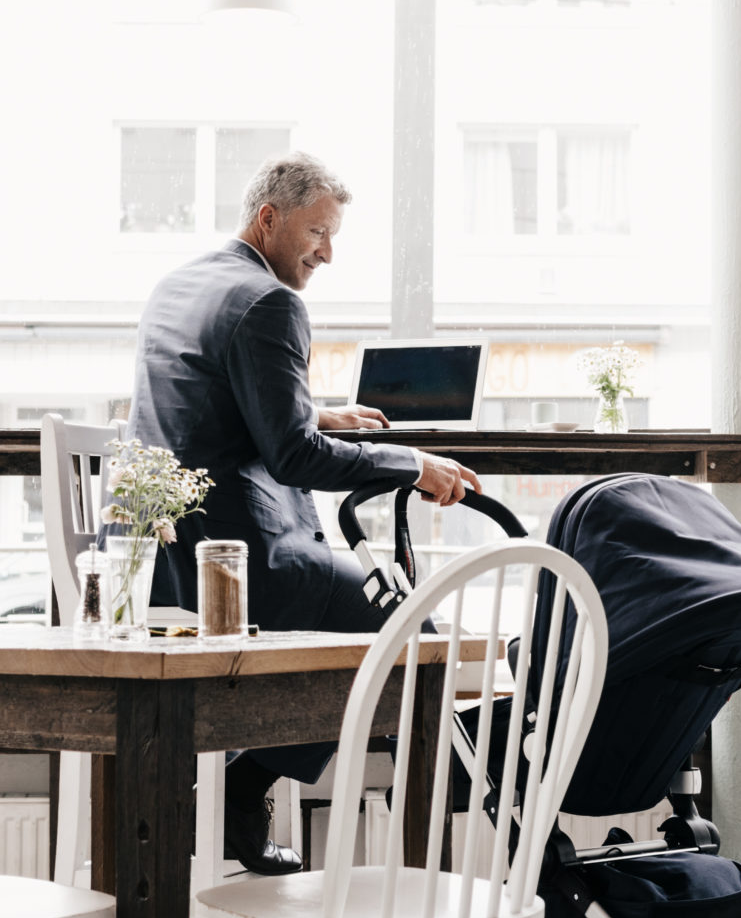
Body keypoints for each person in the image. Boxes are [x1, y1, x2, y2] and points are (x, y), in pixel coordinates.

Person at [130, 152, 480, 874]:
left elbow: (212, 401)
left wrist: (317, 413)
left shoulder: (177, 286)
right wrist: (413, 464)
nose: (327, 251)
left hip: (167, 567)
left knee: (386, 639)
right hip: (242, 569)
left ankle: (255, 777)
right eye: (317, 231)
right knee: (414, 635)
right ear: (269, 218)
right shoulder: (271, 302)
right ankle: (267, 790)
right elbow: (294, 460)